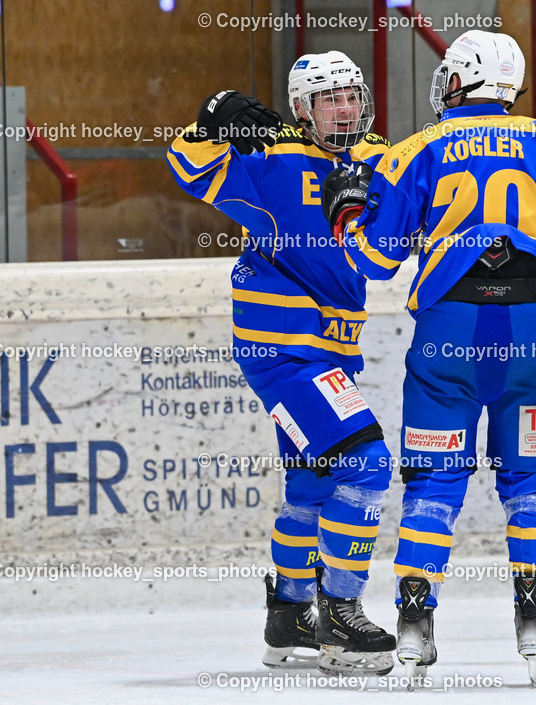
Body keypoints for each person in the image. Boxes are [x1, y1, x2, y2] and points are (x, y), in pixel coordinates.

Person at [320, 30, 536, 685]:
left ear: (457, 82)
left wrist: (348, 215)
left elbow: (374, 260)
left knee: (435, 484)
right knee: (531, 482)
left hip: (448, 336)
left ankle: (415, 620)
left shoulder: (415, 150)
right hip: (529, 336)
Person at [166, 51, 397, 673]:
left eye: (352, 95)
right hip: (284, 353)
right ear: (302, 109)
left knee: (313, 485)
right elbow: (185, 159)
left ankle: (289, 612)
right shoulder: (271, 159)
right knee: (368, 465)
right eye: (330, 99)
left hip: (333, 351)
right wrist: (221, 116)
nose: (345, 108)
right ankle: (340, 613)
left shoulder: (377, 160)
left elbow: (414, 223)